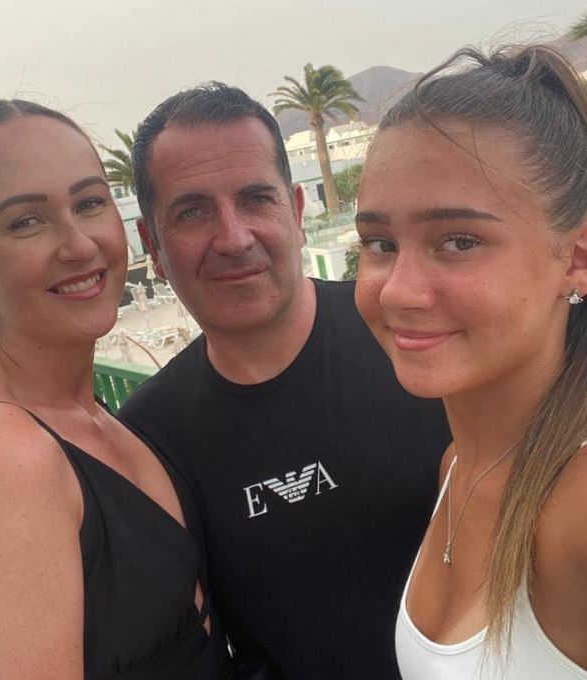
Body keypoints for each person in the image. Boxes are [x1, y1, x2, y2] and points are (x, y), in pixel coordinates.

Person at [118, 83, 451, 679]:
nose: (233, 237)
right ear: (153, 246)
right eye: (193, 211)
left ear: (295, 212)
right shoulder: (146, 439)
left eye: (256, 199)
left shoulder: (414, 336)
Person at [0, 100, 230, 679]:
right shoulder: (1, 458)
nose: (79, 245)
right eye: (25, 221)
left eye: (89, 203)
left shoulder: (89, 416)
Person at [354, 45, 587, 678]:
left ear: (575, 259)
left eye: (458, 241)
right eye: (379, 243)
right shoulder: (458, 467)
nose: (398, 292)